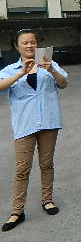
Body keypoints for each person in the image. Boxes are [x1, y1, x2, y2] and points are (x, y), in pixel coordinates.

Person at [0, 29, 68, 231]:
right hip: (25, 124)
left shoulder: (48, 63)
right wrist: (21, 73)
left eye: (33, 42)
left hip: (49, 121)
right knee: (22, 169)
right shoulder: (10, 69)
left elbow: (64, 83)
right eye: (25, 42)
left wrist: (51, 70)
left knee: (47, 164)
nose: (30, 45)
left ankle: (47, 200)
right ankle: (17, 211)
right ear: (17, 46)